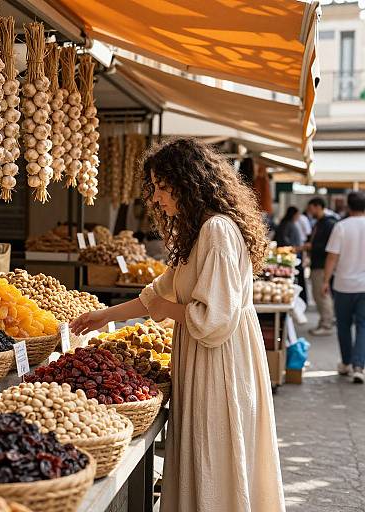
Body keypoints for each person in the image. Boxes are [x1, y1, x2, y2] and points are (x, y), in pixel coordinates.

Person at [71, 138, 285, 512]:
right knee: (205, 452)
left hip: (220, 361)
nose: (156, 199)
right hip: (206, 355)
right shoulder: (199, 233)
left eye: (162, 187)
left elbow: (212, 318)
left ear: (188, 182)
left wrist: (167, 309)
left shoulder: (217, 231)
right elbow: (156, 294)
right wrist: (103, 316)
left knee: (215, 452)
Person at [323, 192, 365, 383]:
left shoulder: (341, 226)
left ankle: (346, 363)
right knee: (363, 326)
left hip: (343, 285)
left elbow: (332, 256)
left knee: (343, 326)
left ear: (348, 206)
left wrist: (325, 280)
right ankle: (359, 366)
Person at [305, 197, 337, 336]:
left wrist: (311, 246)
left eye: (311, 207)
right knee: (318, 294)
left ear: (318, 206)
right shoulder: (320, 222)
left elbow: (329, 247)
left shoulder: (329, 223)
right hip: (317, 263)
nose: (309, 211)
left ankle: (327, 324)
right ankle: (324, 321)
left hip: (322, 264)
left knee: (322, 294)